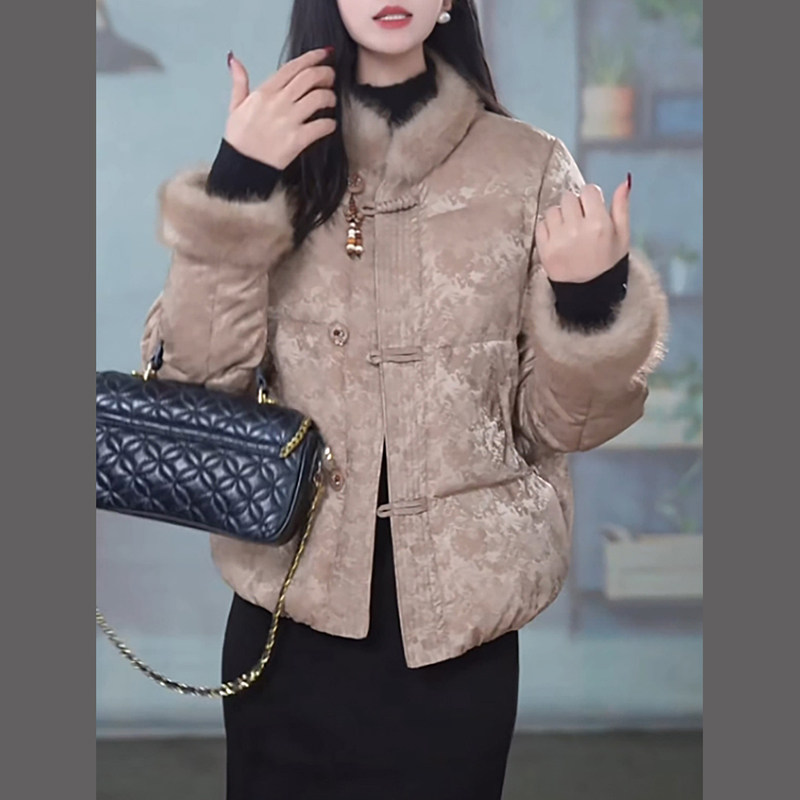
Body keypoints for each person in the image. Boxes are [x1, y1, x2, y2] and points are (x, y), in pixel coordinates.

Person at [140, 1, 667, 797]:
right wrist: (238, 183)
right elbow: (195, 388)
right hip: (290, 615)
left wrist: (590, 304)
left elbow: (559, 425)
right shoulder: (277, 150)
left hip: (459, 633)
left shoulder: (528, 167)